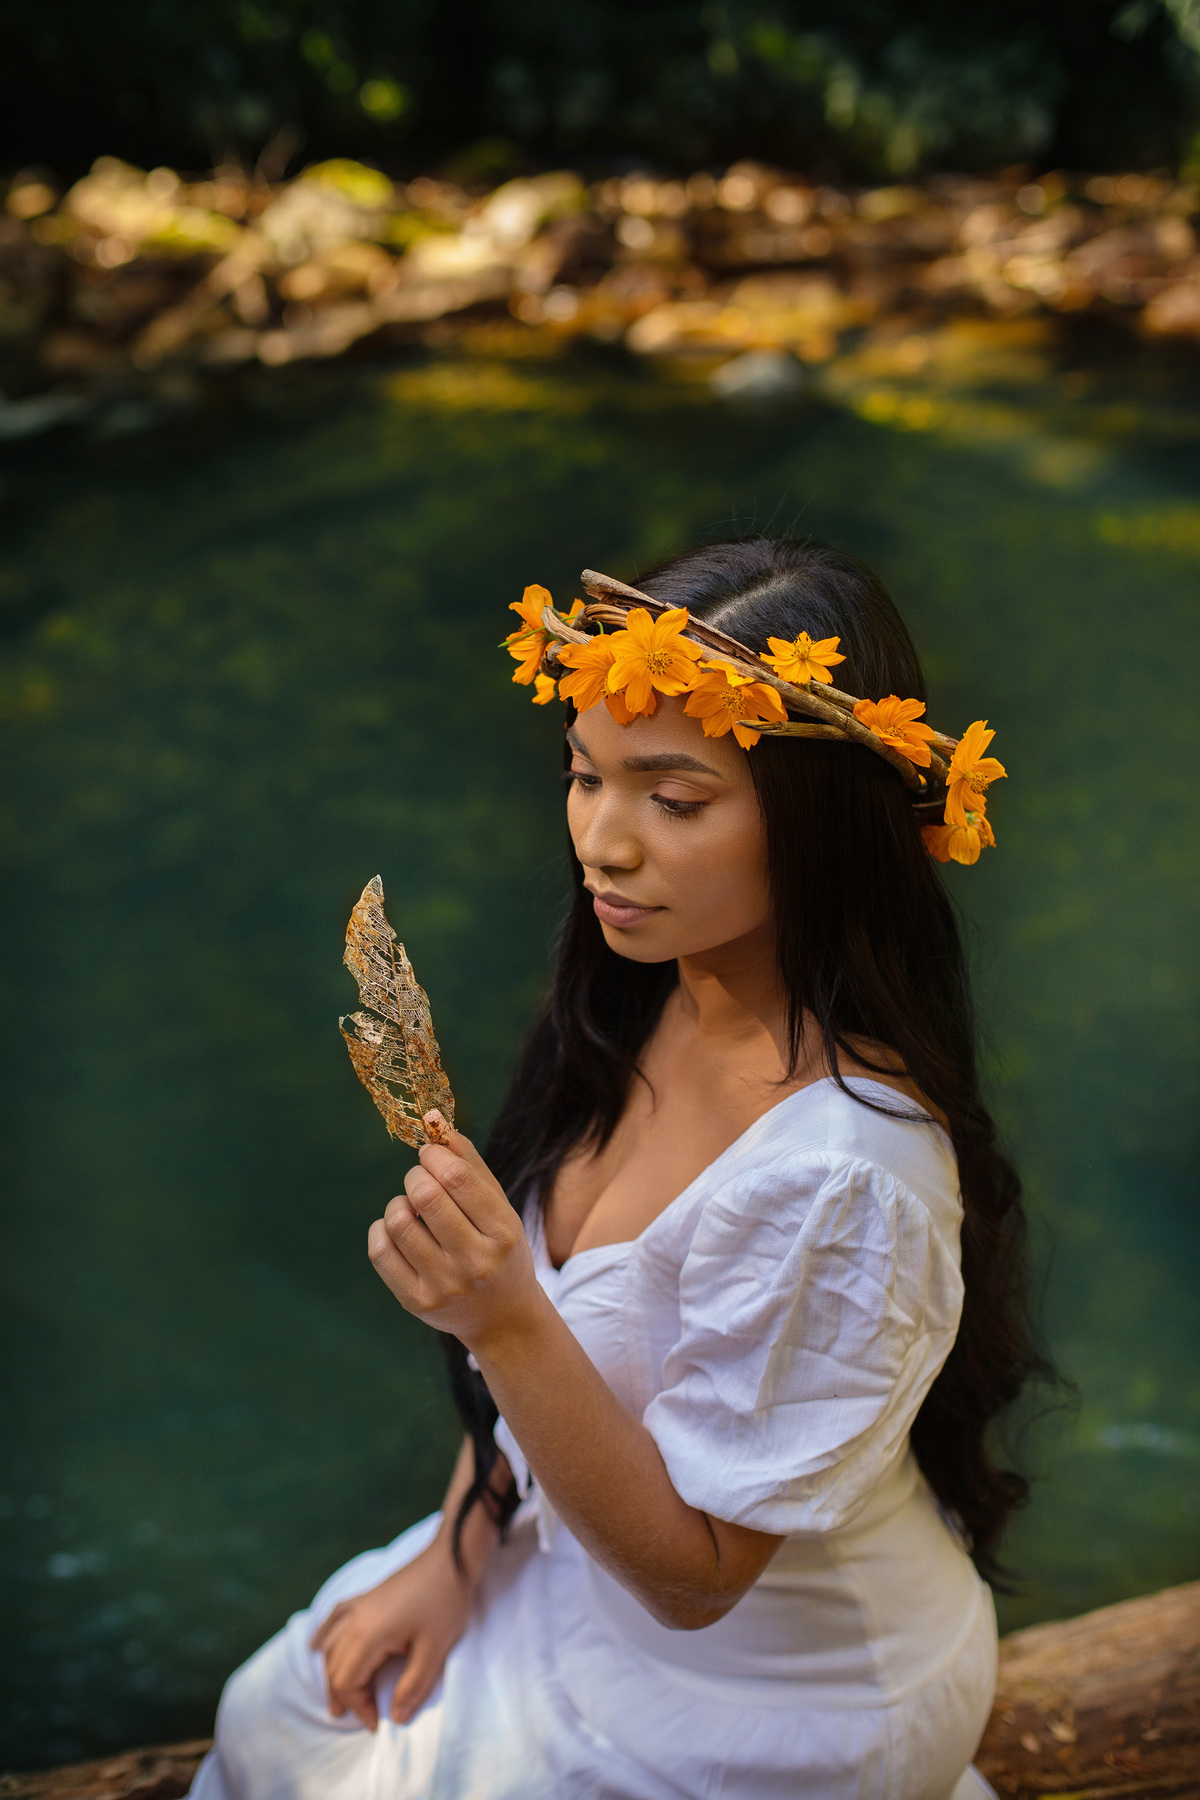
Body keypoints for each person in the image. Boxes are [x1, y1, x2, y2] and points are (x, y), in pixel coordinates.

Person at [191, 537, 1038, 1800]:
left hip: (772, 1696)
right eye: (586, 777)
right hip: (562, 1556)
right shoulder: (641, 1004)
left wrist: (502, 1316)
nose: (604, 841)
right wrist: (456, 1557)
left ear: (819, 827)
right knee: (278, 1713)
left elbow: (699, 1579)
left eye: (674, 799)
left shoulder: (846, 1175)